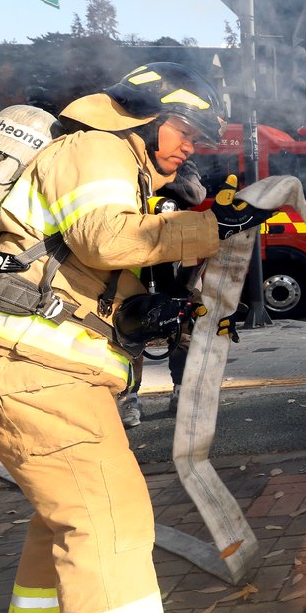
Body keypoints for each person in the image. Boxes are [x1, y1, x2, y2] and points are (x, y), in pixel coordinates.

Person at [0, 62, 276, 613]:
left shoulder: (117, 169)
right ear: (147, 118)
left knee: (64, 515)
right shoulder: (99, 148)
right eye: (185, 129)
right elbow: (104, 240)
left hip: (42, 367)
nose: (192, 146)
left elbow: (93, 276)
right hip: (38, 370)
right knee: (109, 516)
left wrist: (159, 306)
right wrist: (213, 225)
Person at [115, 163, 207, 427]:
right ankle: (129, 397)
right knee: (128, 332)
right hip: (134, 258)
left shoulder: (177, 166)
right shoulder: (123, 163)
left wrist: (156, 177)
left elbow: (194, 194)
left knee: (183, 329)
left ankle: (182, 391)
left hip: (176, 260)